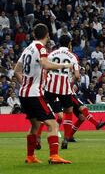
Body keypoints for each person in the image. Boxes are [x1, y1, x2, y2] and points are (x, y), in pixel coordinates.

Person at [13, 23, 72, 164]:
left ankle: (30, 156)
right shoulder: (40, 48)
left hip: (24, 94)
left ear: (34, 35)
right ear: (47, 35)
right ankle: (54, 156)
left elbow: (16, 70)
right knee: (53, 124)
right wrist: (64, 65)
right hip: (34, 94)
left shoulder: (27, 49)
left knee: (35, 125)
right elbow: (45, 64)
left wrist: (26, 85)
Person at [40, 35, 105, 149]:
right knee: (69, 112)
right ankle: (67, 138)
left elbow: (44, 70)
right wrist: (70, 81)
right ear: (69, 44)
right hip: (66, 90)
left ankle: (39, 137)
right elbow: (77, 76)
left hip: (50, 88)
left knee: (45, 113)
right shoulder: (73, 56)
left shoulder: (51, 54)